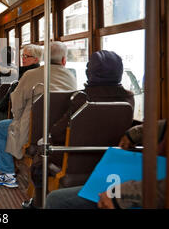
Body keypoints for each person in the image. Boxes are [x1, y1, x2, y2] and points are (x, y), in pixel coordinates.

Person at [24, 50, 136, 209]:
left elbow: (58, 133)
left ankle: (38, 202)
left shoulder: (83, 98)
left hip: (74, 161)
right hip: (111, 158)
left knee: (42, 155)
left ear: (90, 72)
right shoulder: (128, 98)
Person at [0, 41, 77, 189]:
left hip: (32, 130)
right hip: (59, 131)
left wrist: (17, 120)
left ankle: (7, 173)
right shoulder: (71, 77)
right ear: (64, 60)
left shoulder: (30, 75)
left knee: (0, 127)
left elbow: (16, 103)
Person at [45, 120, 167, 209]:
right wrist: (135, 133)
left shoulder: (79, 103)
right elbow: (167, 126)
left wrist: (121, 195)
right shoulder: (126, 104)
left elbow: (55, 132)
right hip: (142, 182)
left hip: (141, 191)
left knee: (55, 200)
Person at [0, 44, 43, 165]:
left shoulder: (23, 76)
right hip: (37, 119)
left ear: (36, 59)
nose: (23, 58)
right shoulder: (34, 74)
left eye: (27, 56)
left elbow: (14, 103)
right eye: (22, 55)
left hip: (22, 118)